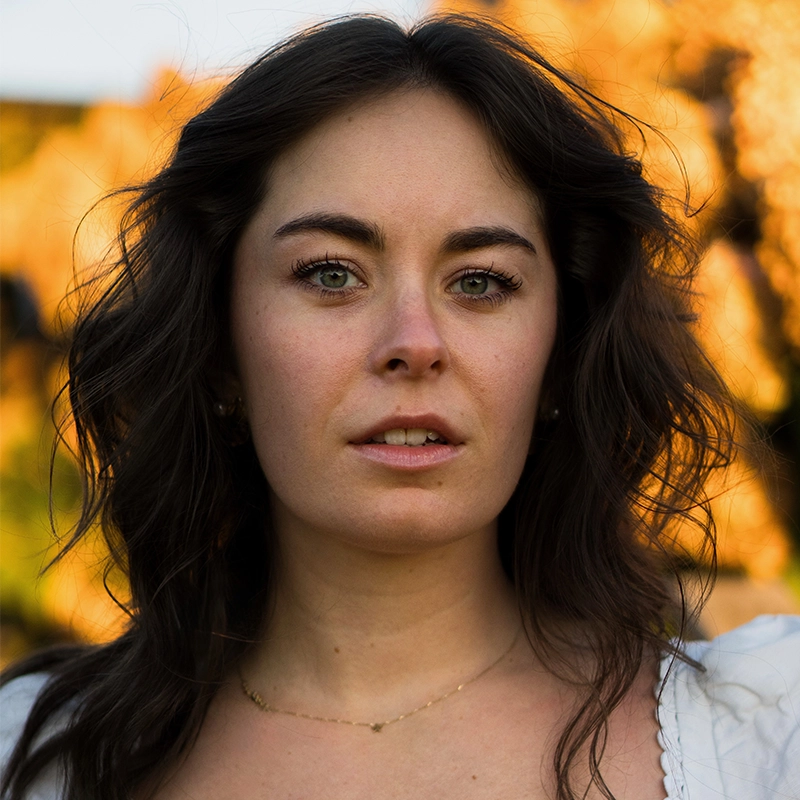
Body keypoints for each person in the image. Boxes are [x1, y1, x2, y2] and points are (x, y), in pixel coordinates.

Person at [1, 13, 798, 800]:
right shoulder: (34, 757)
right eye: (331, 274)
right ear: (218, 346)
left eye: (481, 281)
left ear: (560, 354)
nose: (415, 342)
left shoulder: (768, 738)